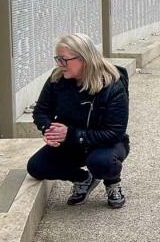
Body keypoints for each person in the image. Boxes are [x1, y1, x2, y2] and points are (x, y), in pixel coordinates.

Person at [28, 33, 130, 209]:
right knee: (36, 167)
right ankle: (83, 179)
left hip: (106, 143)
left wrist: (72, 134)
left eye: (64, 60)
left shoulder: (113, 85)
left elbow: (115, 132)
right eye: (57, 59)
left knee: (101, 163)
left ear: (84, 58)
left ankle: (112, 182)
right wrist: (49, 130)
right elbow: (41, 112)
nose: (59, 65)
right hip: (71, 143)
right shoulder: (57, 79)